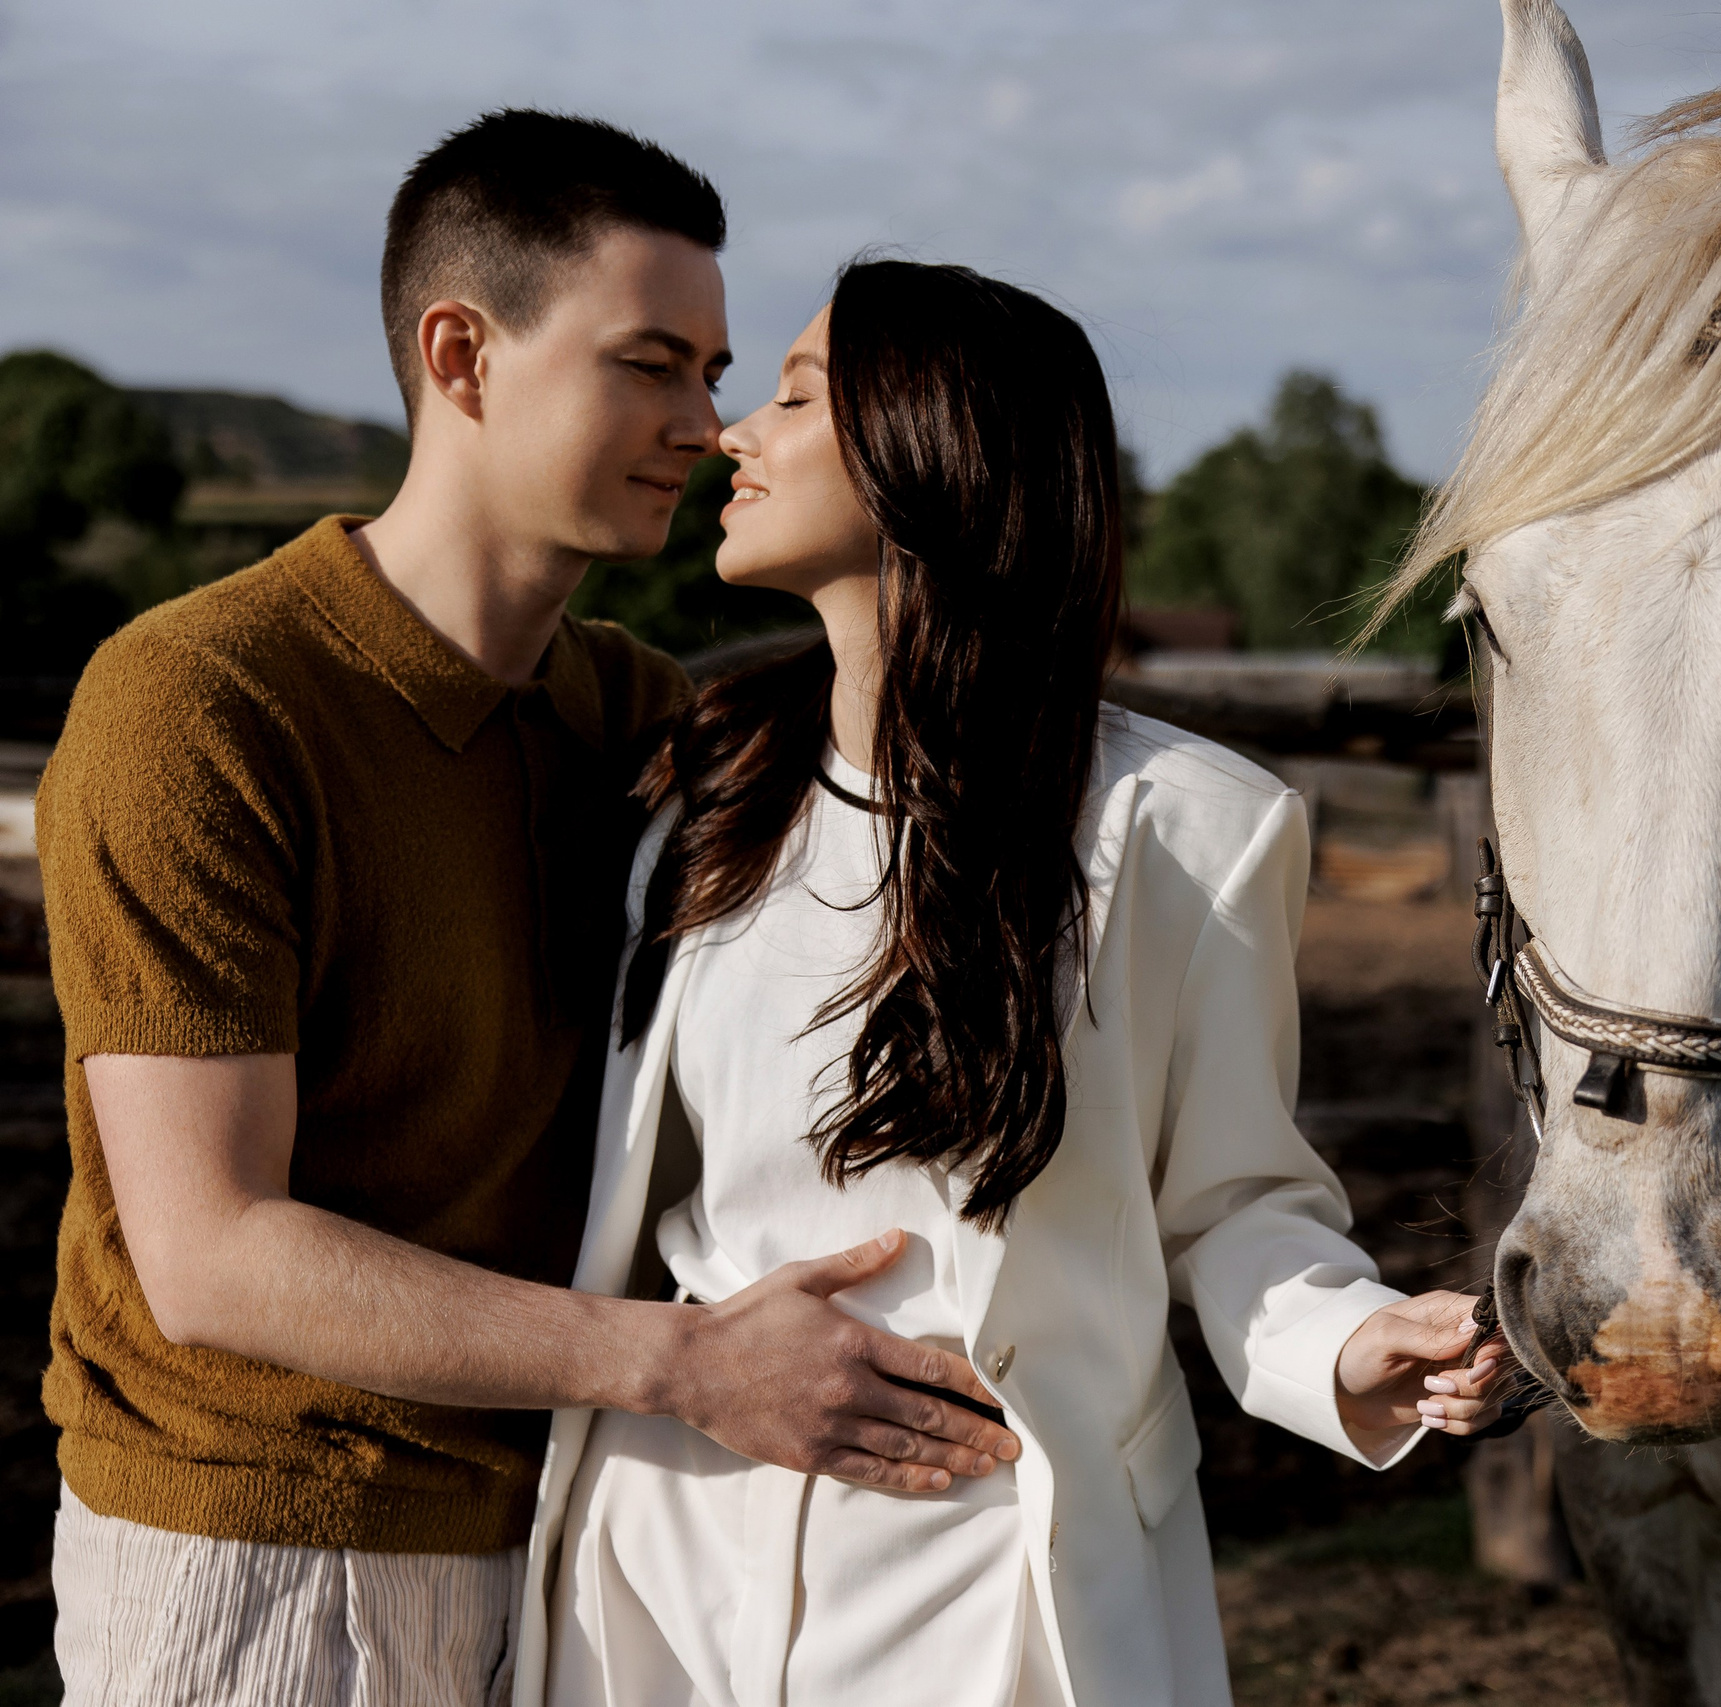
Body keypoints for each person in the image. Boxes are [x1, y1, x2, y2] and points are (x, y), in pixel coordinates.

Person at [40, 114, 1010, 1707]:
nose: (703, 424)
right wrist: (689, 1367)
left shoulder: (633, 712)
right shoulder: (201, 701)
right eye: (649, 365)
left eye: (714, 374)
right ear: (462, 356)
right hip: (268, 1557)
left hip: (577, 1543)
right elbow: (212, 1253)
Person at [516, 258, 1514, 1707]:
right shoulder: (704, 794)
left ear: (928, 447)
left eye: (794, 396)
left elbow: (1232, 1203)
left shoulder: (1188, 832)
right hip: (661, 1567)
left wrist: (1350, 1341)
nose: (734, 433)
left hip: (992, 1576)